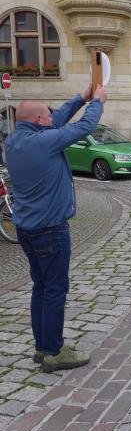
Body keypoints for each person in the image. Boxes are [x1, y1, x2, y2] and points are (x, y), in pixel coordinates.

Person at [6, 84, 107, 372]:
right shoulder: (44, 142)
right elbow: (84, 127)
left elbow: (56, 120)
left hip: (27, 229)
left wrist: (81, 98)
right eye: (48, 116)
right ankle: (53, 352)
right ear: (39, 121)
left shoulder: (14, 141)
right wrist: (97, 102)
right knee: (55, 290)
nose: (53, 119)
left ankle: (43, 346)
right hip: (50, 230)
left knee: (41, 287)